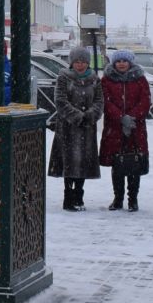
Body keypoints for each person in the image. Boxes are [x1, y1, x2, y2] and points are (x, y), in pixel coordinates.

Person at [44, 47, 102, 210]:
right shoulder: (63, 77)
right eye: (77, 61)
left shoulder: (94, 79)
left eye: (83, 62)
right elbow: (60, 100)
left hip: (87, 128)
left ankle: (79, 195)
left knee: (83, 162)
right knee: (69, 162)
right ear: (72, 63)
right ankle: (68, 197)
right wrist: (77, 116)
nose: (80, 65)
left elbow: (99, 101)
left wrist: (89, 116)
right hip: (68, 128)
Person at [98, 50, 151, 212]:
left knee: (134, 163)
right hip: (114, 128)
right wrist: (121, 117)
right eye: (118, 61)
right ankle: (118, 198)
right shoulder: (106, 80)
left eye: (124, 61)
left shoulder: (140, 79)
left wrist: (133, 117)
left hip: (136, 128)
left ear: (130, 63)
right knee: (117, 164)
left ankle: (133, 199)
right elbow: (105, 101)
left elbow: (145, 100)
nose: (121, 63)